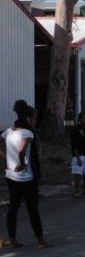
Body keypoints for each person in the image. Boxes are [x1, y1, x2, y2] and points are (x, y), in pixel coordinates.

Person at [0, 100, 52, 249]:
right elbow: (22, 149)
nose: (36, 120)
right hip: (26, 178)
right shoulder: (28, 132)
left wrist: (6, 158)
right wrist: (21, 163)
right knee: (32, 209)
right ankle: (41, 241)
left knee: (13, 208)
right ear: (28, 118)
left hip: (11, 177)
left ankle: (13, 240)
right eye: (35, 117)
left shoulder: (8, 131)